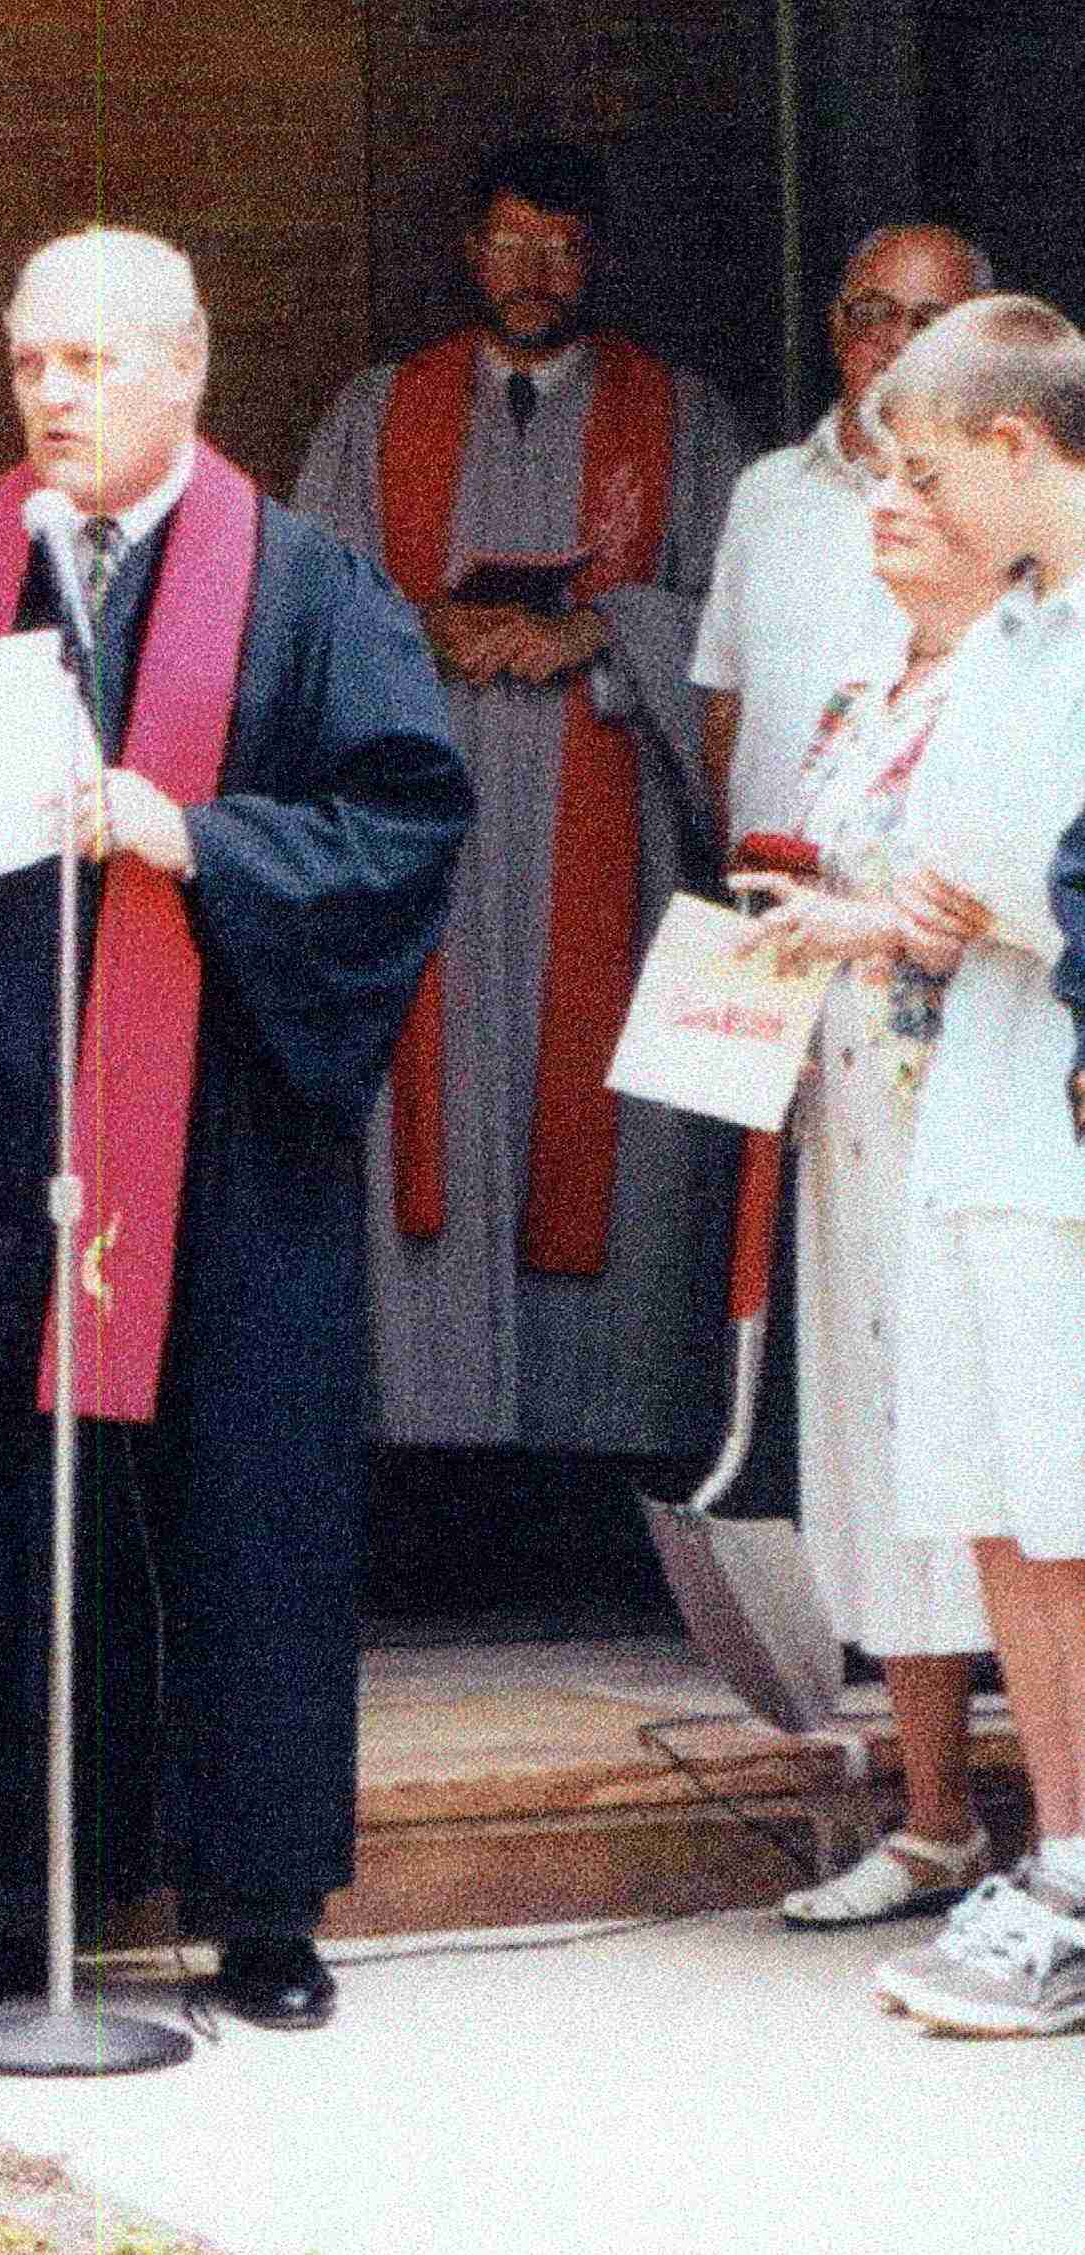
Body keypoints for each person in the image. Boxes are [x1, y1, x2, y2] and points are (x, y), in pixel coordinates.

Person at [0, 227, 469, 2031]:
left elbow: (402, 829)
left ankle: (261, 1905)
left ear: (184, 371)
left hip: (218, 1141)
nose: (51, 396)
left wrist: (199, 840)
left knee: (239, 1501)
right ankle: (3, 1897)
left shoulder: (305, 587)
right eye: (28, 364)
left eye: (88, 364)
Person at [293, 136, 750, 1483]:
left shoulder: (686, 417)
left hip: (612, 834)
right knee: (431, 1133)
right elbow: (311, 610)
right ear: (469, 250)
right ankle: (435, 1482)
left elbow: (735, 634)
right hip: (435, 842)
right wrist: (422, 623)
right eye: (508, 238)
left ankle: (599, 1483)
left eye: (559, 241)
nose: (533, 268)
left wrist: (602, 635)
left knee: (612, 1137)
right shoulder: (379, 412)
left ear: (595, 254)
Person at [848, 296, 1085, 2037]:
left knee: (1077, 1514)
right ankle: (1064, 1850)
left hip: (1064, 1119)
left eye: (935, 468)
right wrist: (915, 911)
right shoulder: (1009, 636)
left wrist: (987, 904)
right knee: (1012, 1511)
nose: (915, 501)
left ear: (1018, 447)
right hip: (983, 1112)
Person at [731, 467, 1005, 1929]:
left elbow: (987, 906)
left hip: (971, 1113)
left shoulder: (1021, 680)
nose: (888, 499)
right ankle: (937, 1815)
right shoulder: (860, 694)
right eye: (882, 475)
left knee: (1006, 1464)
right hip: (846, 1117)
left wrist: (860, 923)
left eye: (926, 477)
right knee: (878, 1448)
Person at [694, 225, 992, 848]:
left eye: (930, 322)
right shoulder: (766, 491)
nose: (896, 343)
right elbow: (726, 706)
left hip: (917, 911)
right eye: (872, 314)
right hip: (771, 891)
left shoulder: (1000, 509)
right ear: (835, 326)